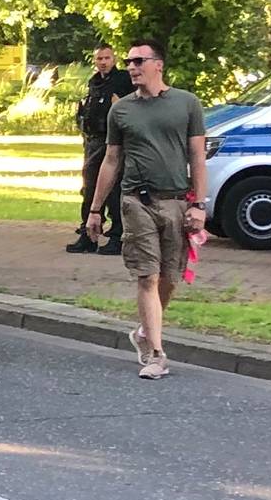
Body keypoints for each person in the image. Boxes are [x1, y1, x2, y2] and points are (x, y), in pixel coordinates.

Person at [85, 40, 207, 378]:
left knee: (170, 277)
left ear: (158, 64)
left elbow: (197, 156)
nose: (131, 67)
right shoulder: (121, 110)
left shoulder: (187, 103)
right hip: (136, 201)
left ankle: (143, 332)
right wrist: (95, 210)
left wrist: (199, 205)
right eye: (129, 61)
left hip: (177, 201)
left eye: (138, 61)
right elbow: (111, 160)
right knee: (147, 276)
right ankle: (156, 354)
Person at [70, 44, 130, 254]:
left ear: (114, 59)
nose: (103, 62)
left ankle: (117, 236)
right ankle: (88, 234)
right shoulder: (94, 83)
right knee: (90, 188)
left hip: (113, 142)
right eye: (99, 59)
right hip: (93, 141)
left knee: (114, 190)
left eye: (107, 58)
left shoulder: (123, 80)